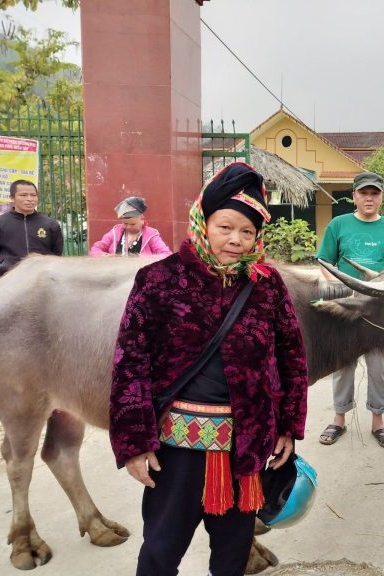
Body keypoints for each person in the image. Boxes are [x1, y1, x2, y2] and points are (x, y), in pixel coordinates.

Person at [109, 162, 309, 576]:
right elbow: (130, 363)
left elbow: (291, 356)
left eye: (248, 232)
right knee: (159, 555)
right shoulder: (159, 280)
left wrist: (288, 424)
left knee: (233, 558)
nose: (236, 240)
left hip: (245, 449)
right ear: (203, 221)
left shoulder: (267, 284)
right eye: (225, 227)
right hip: (175, 454)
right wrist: (134, 443)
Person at [316, 171, 384, 449]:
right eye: (364, 193)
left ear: (381, 197)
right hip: (346, 304)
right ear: (354, 196)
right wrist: (338, 286)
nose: (369, 198)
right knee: (342, 364)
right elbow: (324, 261)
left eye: (374, 193)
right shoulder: (338, 224)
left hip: (380, 309)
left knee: (378, 366)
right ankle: (339, 419)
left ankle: (378, 421)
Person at [0, 179, 63, 281]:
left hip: (41, 279)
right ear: (12, 198)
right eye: (23, 195)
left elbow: (56, 255)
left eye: (33, 195)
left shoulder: (50, 224)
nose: (30, 199)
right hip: (7, 279)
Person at [89, 196, 172, 256]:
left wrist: (145, 260)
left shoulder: (151, 235)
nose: (128, 227)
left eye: (133, 224)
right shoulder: (115, 232)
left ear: (142, 220)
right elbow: (95, 249)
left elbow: (166, 254)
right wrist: (105, 256)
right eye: (125, 223)